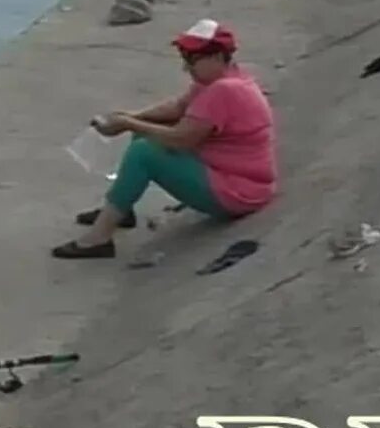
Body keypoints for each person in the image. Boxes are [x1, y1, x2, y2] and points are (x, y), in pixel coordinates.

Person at [51, 18, 278, 259]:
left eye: (192, 60)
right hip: (228, 175)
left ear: (217, 57)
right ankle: (121, 209)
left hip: (238, 191)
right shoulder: (220, 80)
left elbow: (181, 139)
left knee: (144, 153)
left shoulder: (225, 91)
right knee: (146, 130)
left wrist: (127, 123)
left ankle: (98, 239)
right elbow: (178, 108)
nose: (186, 68)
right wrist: (130, 116)